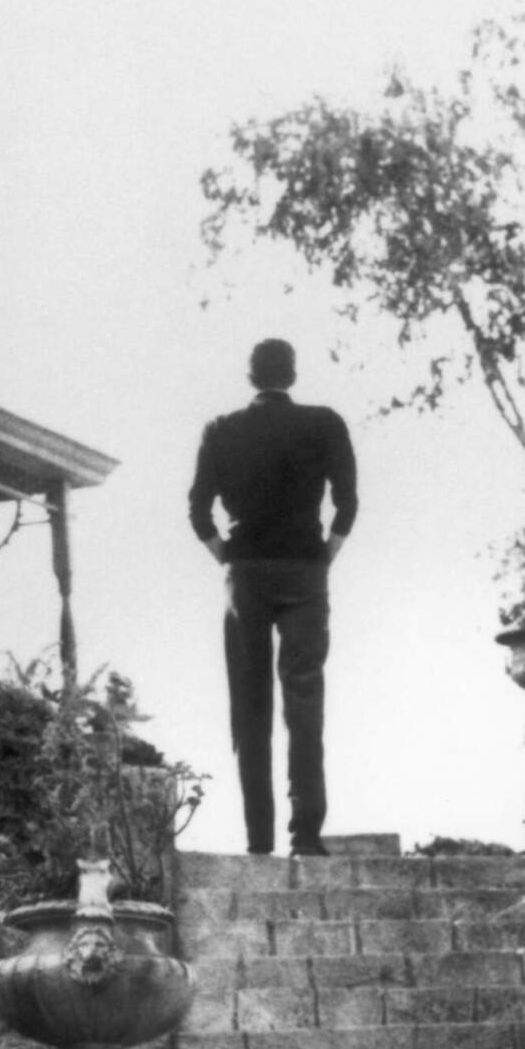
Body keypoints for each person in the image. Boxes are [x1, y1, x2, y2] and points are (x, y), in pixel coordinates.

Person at [188, 338, 357, 858]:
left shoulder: (221, 429)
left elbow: (198, 511)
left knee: (250, 703)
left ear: (250, 376)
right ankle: (306, 835)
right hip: (305, 570)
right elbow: (347, 503)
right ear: (293, 374)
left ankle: (258, 842)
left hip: (246, 573)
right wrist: (324, 556)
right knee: (305, 703)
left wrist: (229, 557)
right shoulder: (325, 423)